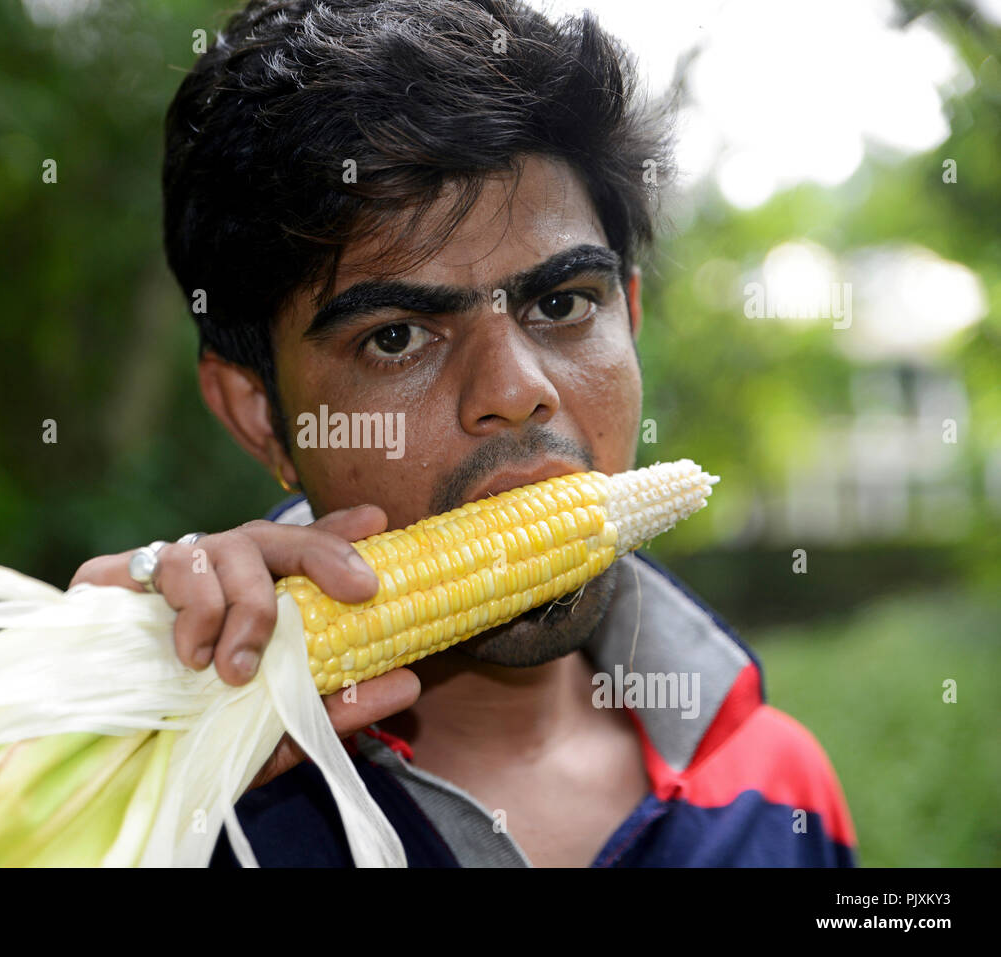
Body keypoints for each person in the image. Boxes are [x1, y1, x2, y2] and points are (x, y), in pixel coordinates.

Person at [71, 0, 857, 866]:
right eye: (397, 336)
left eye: (561, 304)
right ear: (261, 414)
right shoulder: (158, 800)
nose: (517, 392)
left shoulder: (782, 789)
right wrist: (104, 768)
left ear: (630, 320)